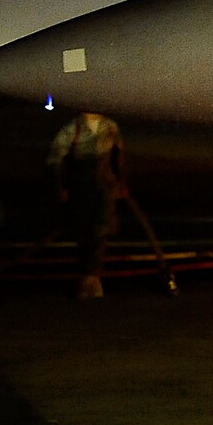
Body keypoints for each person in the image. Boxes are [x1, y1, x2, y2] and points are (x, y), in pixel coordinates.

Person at [48, 111, 126, 300]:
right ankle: (86, 278)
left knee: (101, 230)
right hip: (82, 188)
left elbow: (118, 156)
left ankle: (93, 277)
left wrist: (120, 182)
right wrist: (61, 187)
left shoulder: (110, 127)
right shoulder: (72, 130)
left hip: (104, 187)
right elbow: (55, 160)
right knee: (84, 231)